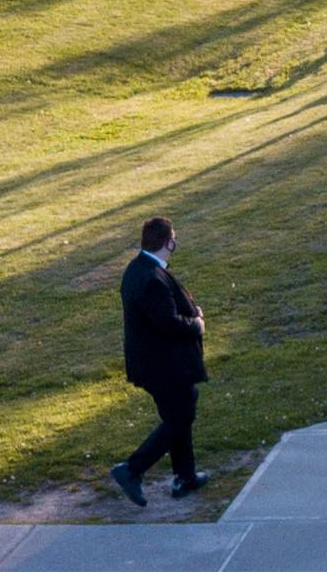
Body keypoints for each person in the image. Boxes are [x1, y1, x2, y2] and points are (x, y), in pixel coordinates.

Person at [110, 217, 208, 507]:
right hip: (165, 366)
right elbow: (167, 322)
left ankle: (185, 476)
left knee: (177, 416)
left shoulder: (139, 269)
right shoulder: (152, 277)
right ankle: (132, 470)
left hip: (155, 364)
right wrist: (197, 323)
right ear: (168, 242)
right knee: (180, 417)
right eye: (174, 238)